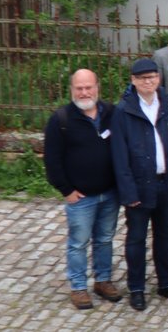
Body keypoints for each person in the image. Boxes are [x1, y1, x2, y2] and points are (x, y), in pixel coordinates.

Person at [111, 58, 168, 311]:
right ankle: (137, 287)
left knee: (165, 236)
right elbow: (119, 156)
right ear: (133, 81)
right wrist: (128, 191)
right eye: (143, 78)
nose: (149, 82)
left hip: (167, 183)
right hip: (139, 186)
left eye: (152, 77)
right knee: (136, 239)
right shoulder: (124, 111)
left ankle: (166, 282)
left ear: (158, 78)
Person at [45, 69, 122, 310]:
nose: (85, 92)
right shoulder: (61, 120)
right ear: (72, 90)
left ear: (97, 87)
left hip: (110, 192)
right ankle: (78, 287)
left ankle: (103, 280)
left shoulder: (111, 113)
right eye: (79, 88)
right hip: (80, 197)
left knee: (105, 239)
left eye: (89, 87)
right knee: (78, 242)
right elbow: (52, 160)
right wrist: (66, 191)